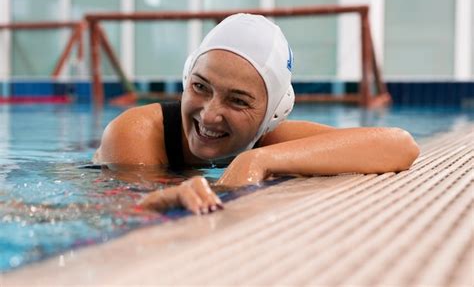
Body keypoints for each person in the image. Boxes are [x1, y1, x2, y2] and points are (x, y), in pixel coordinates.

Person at [94, 13, 420, 215]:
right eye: (200, 87)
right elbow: (122, 219)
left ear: (273, 114)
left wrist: (255, 161)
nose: (209, 115)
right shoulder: (135, 133)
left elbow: (399, 145)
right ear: (185, 79)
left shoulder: (266, 140)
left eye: (238, 101)